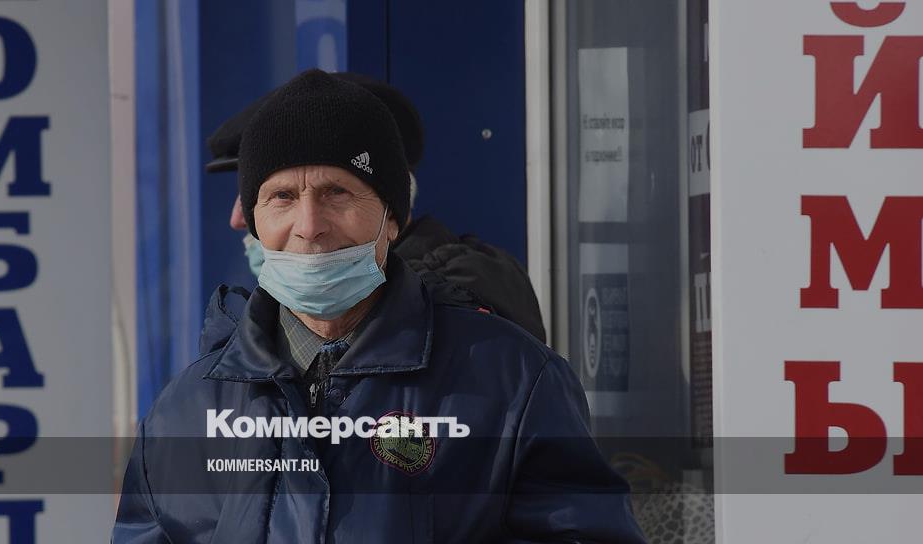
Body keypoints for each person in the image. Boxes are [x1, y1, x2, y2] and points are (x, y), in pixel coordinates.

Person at [113, 69, 644, 543]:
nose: (309, 225)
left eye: (337, 193)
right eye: (282, 197)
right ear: (256, 221)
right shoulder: (184, 409)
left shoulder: (514, 383)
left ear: (393, 218)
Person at [205, 72, 547, 342]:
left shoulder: (452, 306)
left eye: (335, 191)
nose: (238, 218)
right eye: (281, 195)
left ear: (393, 205)